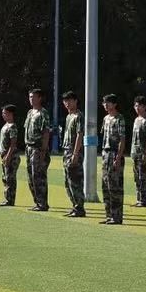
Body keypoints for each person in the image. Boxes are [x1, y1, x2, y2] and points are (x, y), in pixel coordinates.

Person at [98, 94, 127, 225]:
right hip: (106, 153)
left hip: (115, 153)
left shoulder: (119, 119)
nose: (105, 105)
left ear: (114, 104)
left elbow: (122, 139)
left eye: (108, 102)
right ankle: (109, 214)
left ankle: (117, 216)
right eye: (104, 103)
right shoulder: (106, 119)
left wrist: (118, 157)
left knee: (115, 186)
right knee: (105, 185)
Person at [22, 88, 52, 212]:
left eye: (33, 97)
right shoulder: (30, 112)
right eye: (30, 97)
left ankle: (42, 203)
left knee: (38, 176)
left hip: (38, 148)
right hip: (29, 148)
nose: (31, 99)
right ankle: (37, 202)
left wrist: (43, 150)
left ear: (40, 98)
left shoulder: (43, 113)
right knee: (31, 177)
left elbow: (46, 132)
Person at [60, 90, 87, 218]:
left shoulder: (78, 116)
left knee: (75, 180)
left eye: (69, 100)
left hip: (73, 151)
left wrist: (75, 154)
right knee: (68, 181)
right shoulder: (68, 116)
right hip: (66, 150)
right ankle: (75, 205)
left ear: (75, 101)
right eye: (65, 101)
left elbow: (79, 135)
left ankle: (79, 208)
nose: (67, 103)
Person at [129, 95, 146, 209]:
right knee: (137, 177)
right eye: (135, 106)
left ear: (145, 107)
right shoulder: (136, 120)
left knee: (144, 177)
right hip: (135, 153)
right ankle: (139, 198)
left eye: (139, 105)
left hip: (144, 154)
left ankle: (144, 200)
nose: (137, 108)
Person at [0, 104, 23, 208]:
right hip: (5, 156)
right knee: (5, 178)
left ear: (10, 114)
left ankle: (10, 199)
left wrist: (8, 156)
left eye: (5, 113)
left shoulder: (12, 126)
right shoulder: (6, 125)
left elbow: (13, 144)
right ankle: (7, 198)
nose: (3, 115)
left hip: (11, 156)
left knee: (10, 178)